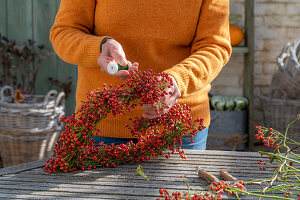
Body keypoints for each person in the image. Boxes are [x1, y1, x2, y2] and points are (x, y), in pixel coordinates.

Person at [50, 0, 232, 150]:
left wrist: (178, 79)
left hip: (179, 129)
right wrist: (99, 47)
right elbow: (64, 32)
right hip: (102, 125)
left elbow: (215, 46)